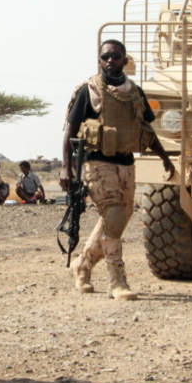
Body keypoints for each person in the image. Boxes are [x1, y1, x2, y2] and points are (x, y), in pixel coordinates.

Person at [60, 39, 175, 300]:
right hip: (97, 162)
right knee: (112, 215)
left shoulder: (134, 91)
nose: (110, 61)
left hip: (126, 163)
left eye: (115, 57)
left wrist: (165, 158)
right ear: (99, 61)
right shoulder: (89, 90)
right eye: (105, 57)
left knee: (119, 219)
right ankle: (117, 281)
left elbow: (147, 130)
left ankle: (83, 264)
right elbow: (70, 129)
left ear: (124, 60)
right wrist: (66, 168)